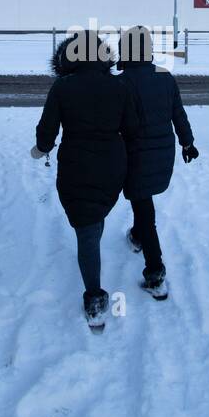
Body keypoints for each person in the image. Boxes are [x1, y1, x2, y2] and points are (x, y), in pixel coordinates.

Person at [32, 30, 140, 332]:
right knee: (94, 219)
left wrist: (39, 150)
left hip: (76, 167)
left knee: (86, 230)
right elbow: (132, 128)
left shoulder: (62, 87)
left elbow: (47, 133)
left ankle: (94, 297)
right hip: (111, 167)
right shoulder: (119, 86)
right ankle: (93, 258)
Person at [116, 26, 197, 300]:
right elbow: (179, 113)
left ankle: (155, 272)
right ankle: (137, 235)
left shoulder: (122, 82)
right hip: (163, 153)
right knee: (143, 200)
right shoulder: (165, 76)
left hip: (135, 155)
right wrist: (187, 142)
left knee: (144, 207)